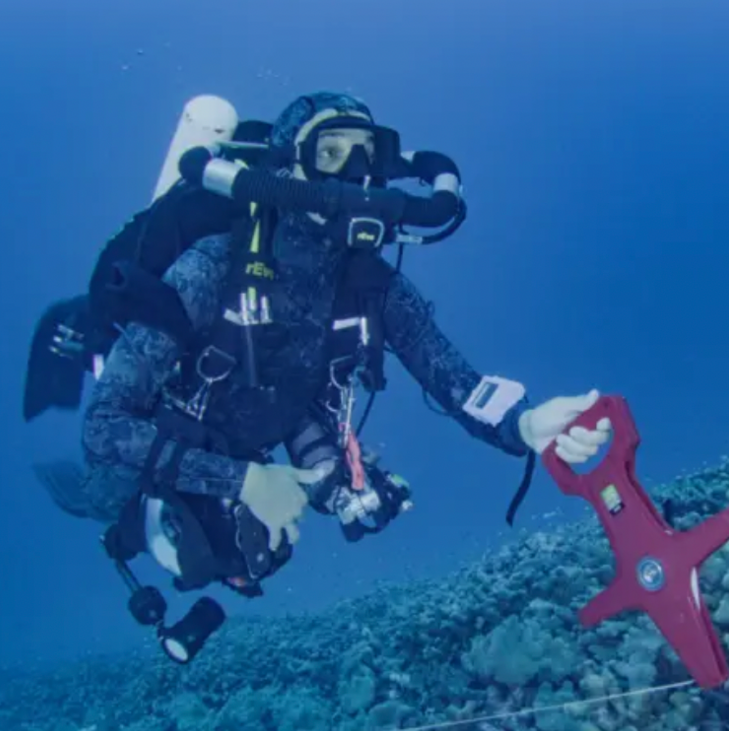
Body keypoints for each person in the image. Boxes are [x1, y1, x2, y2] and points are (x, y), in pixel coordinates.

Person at [73, 91, 612, 663]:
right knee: (152, 523)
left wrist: (525, 424)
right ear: (288, 168)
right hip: (166, 436)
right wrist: (246, 482)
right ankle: (123, 517)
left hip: (270, 425)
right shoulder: (213, 266)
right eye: (330, 153)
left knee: (268, 545)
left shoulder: (371, 284)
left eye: (366, 155)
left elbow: (454, 380)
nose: (354, 174)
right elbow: (104, 428)